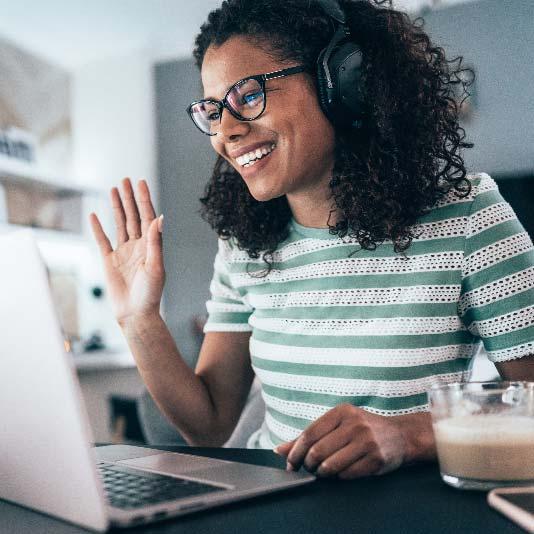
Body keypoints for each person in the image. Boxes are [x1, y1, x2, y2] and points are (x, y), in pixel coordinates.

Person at [90, 0, 534, 479]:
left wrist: (410, 434)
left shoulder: (469, 219)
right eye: (213, 111)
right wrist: (139, 320)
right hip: (270, 502)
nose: (227, 132)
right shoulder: (244, 244)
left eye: (248, 95)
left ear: (343, 82)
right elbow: (210, 426)